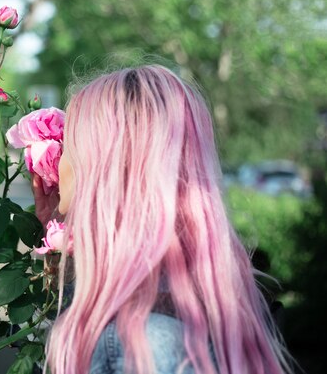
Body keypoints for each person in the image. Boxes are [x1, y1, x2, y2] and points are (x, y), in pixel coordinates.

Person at [30, 65, 294, 374]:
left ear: (102, 171)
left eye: (69, 147)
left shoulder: (134, 343)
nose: (57, 161)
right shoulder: (225, 300)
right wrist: (64, 238)